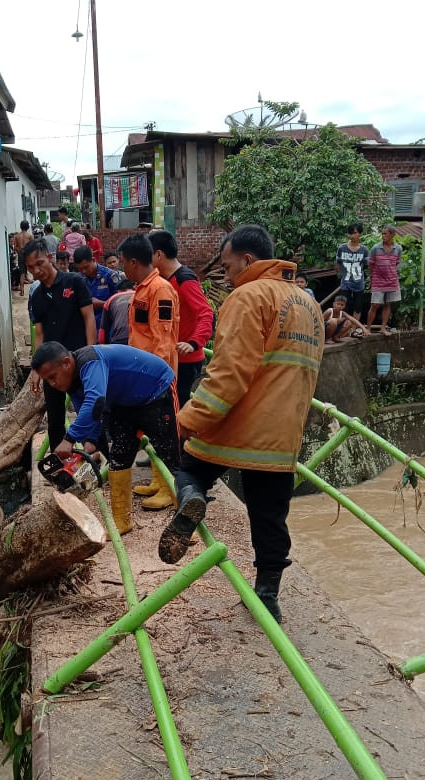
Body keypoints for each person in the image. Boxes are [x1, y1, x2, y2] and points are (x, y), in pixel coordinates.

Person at [159, 224, 324, 623]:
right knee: (270, 514)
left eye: (230, 266)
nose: (228, 275)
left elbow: (230, 372)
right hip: (284, 433)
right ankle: (267, 596)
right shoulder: (309, 305)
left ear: (248, 260)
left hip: (239, 424)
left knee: (186, 466)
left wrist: (188, 420)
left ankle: (191, 498)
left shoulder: (248, 296)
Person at [31, 341, 180, 535]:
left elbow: (95, 400)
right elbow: (91, 410)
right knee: (119, 456)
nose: (53, 384)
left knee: (170, 454)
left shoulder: (89, 362)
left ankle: (186, 526)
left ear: (66, 362)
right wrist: (89, 443)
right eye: (47, 381)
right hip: (124, 401)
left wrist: (69, 438)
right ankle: (121, 522)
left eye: (52, 377)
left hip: (156, 390)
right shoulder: (71, 381)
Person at [118, 232, 180, 510]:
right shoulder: (142, 289)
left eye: (123, 262)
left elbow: (163, 339)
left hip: (156, 379)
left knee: (166, 435)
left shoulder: (160, 290)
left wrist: (156, 380)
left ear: (133, 261)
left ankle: (170, 488)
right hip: (141, 376)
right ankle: (158, 480)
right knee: (151, 433)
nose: (121, 268)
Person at [25, 238, 96, 454]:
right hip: (51, 365)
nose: (36, 270)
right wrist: (36, 370)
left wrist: (92, 352)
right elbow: (39, 334)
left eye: (39, 263)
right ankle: (58, 464)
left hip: (78, 359)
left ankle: (92, 458)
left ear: (49, 257)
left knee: (88, 408)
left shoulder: (74, 282)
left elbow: (89, 318)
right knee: (55, 415)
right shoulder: (36, 296)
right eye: (30, 268)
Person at [150, 229, 215, 408]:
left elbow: (206, 313)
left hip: (186, 359)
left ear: (158, 254)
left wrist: (193, 343)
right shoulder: (163, 280)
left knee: (177, 408)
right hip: (172, 357)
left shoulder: (184, 280)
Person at [366, 225, 402, 336]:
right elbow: (371, 265)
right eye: (382, 233)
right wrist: (372, 278)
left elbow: (396, 263)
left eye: (385, 234)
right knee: (375, 305)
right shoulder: (375, 248)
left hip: (392, 281)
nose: (383, 236)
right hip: (378, 280)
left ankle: (383, 328)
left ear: (392, 235)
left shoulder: (398, 249)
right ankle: (367, 329)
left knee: (388, 304)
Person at [73, 245, 119, 331]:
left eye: (86, 267)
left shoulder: (109, 275)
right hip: (86, 327)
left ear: (94, 260)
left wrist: (102, 304)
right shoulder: (78, 279)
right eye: (80, 269)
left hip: (107, 326)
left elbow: (120, 303)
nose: (84, 271)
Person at [335, 222, 369, 330]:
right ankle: (343, 328)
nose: (352, 235)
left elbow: (365, 265)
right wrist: (341, 275)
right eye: (350, 233)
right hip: (345, 282)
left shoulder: (364, 250)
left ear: (360, 234)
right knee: (344, 306)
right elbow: (337, 263)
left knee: (358, 307)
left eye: (354, 233)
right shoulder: (342, 248)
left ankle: (353, 329)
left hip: (359, 283)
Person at [99, 279, 135, 345]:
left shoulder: (111, 299)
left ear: (118, 291)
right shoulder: (141, 295)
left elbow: (103, 331)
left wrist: (104, 347)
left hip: (119, 340)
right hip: (139, 340)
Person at [12, 220, 33, 296]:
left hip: (21, 255)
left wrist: (20, 252)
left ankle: (22, 291)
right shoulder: (30, 236)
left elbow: (15, 248)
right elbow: (32, 246)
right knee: (34, 270)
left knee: (22, 273)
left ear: (20, 227)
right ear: (27, 227)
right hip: (28, 255)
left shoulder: (17, 236)